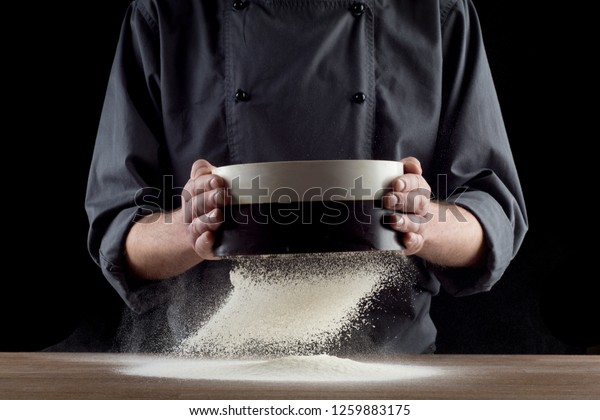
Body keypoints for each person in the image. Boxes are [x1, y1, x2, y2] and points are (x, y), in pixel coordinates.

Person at [84, 0, 527, 354]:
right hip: (216, 364)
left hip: (388, 364)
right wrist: (190, 227)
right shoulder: (165, 12)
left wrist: (422, 222)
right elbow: (117, 228)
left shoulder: (437, 10)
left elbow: (494, 215)